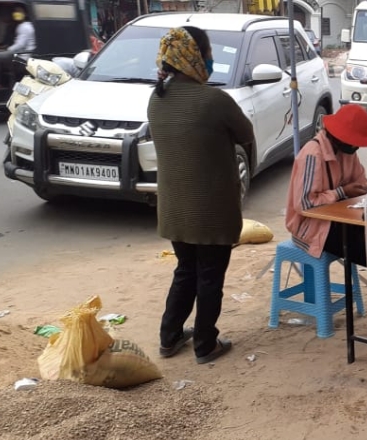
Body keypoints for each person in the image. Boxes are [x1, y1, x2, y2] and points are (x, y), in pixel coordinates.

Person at [147, 26, 256, 365]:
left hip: (174, 209)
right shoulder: (214, 100)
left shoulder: (157, 98)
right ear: (193, 56)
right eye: (207, 53)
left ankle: (169, 337)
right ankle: (206, 344)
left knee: (186, 270)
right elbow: (246, 134)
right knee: (210, 275)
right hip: (211, 210)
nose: (210, 60)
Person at [285, 104, 367, 312]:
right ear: (338, 136)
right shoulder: (312, 155)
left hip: (347, 219)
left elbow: (363, 188)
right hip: (315, 227)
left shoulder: (347, 152)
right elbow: (304, 204)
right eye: (353, 142)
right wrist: (342, 192)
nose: (356, 148)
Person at [0, 5, 35, 88]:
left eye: (19, 12)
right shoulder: (21, 25)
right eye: (15, 12)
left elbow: (20, 45)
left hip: (22, 57)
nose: (17, 14)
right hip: (17, 53)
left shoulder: (25, 27)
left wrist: (7, 49)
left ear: (25, 14)